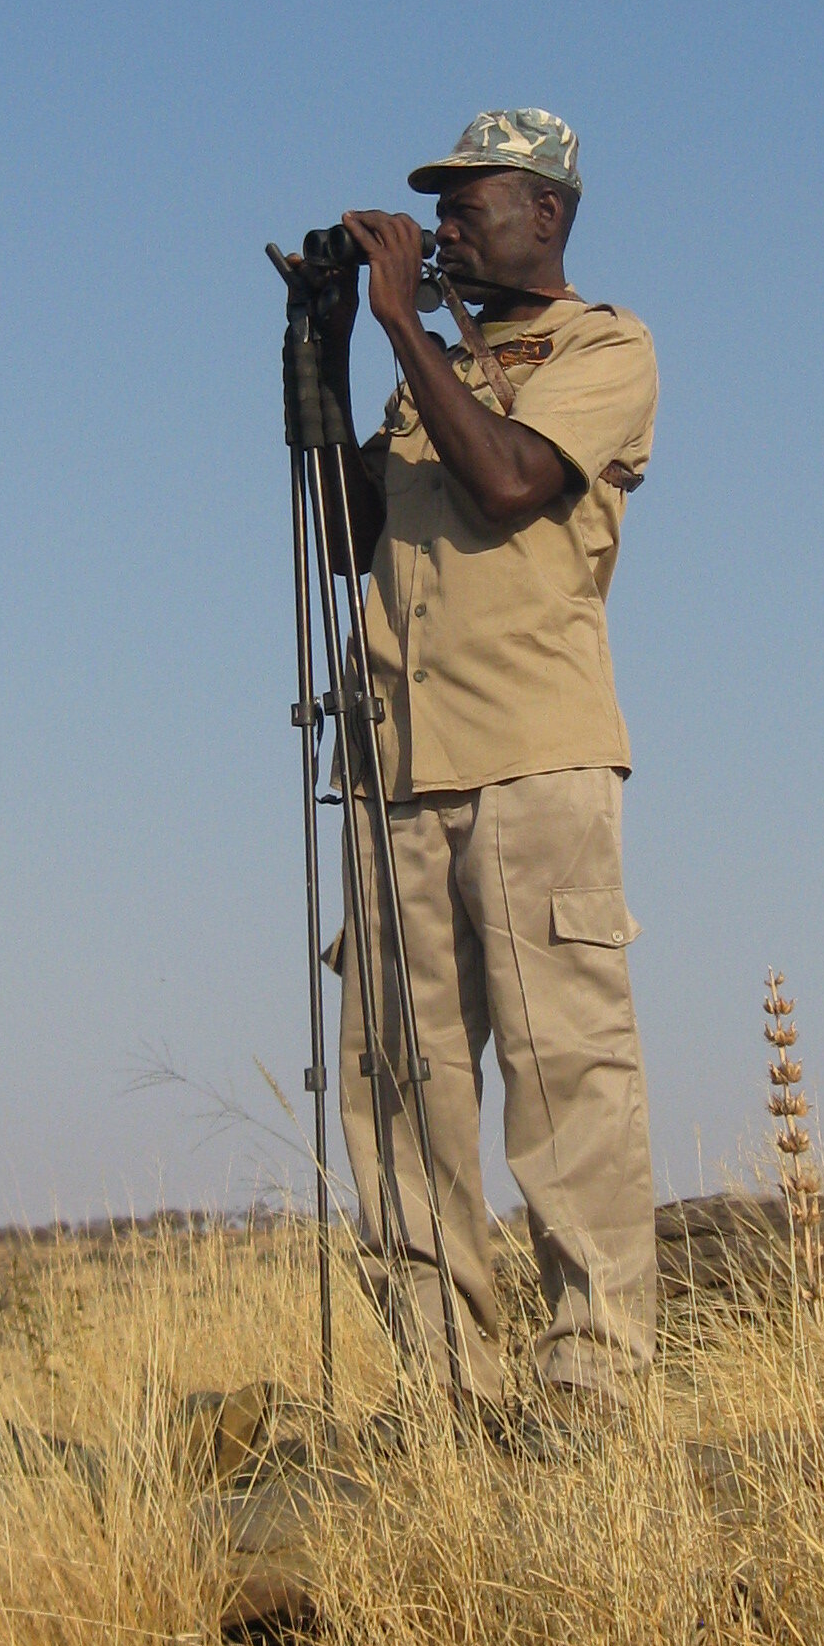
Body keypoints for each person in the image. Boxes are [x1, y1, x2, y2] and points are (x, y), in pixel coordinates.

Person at [317, 106, 660, 1411]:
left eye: (471, 203)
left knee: (567, 1078)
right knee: (398, 1086)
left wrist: (406, 320)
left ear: (549, 216)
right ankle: (444, 1389)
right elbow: (350, 537)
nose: (448, 224)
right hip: (397, 766)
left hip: (534, 762)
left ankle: (596, 1389)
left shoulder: (603, 347)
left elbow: (514, 483)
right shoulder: (428, 379)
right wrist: (332, 359)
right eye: (438, 206)